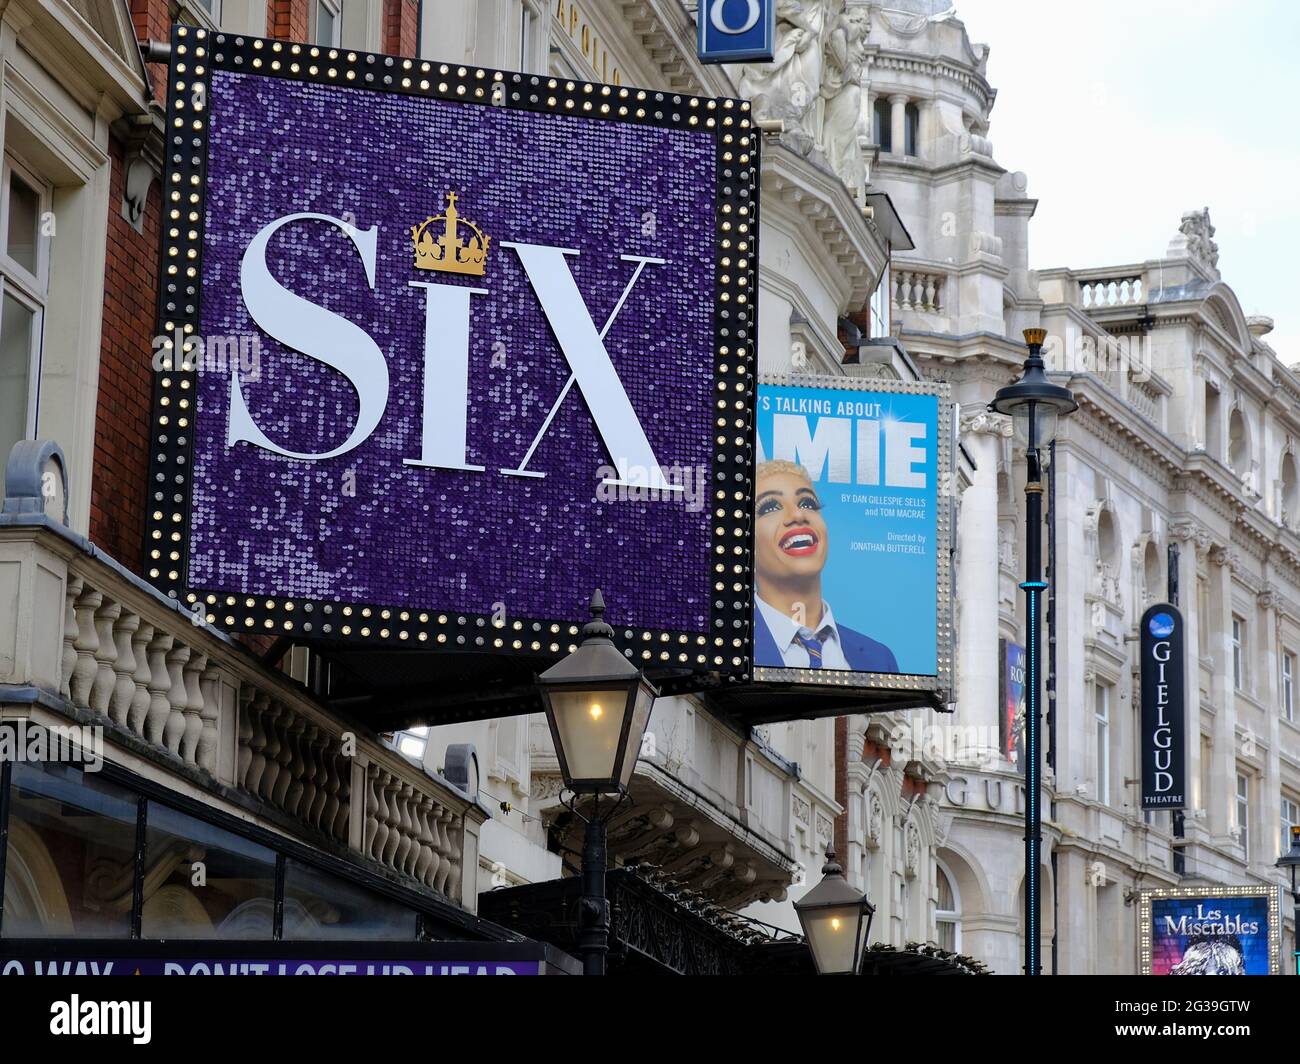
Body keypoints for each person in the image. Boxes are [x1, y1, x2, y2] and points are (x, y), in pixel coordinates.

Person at [753, 459, 898, 672]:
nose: (798, 515)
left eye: (808, 504)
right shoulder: (728, 647)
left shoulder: (879, 658)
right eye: (770, 507)